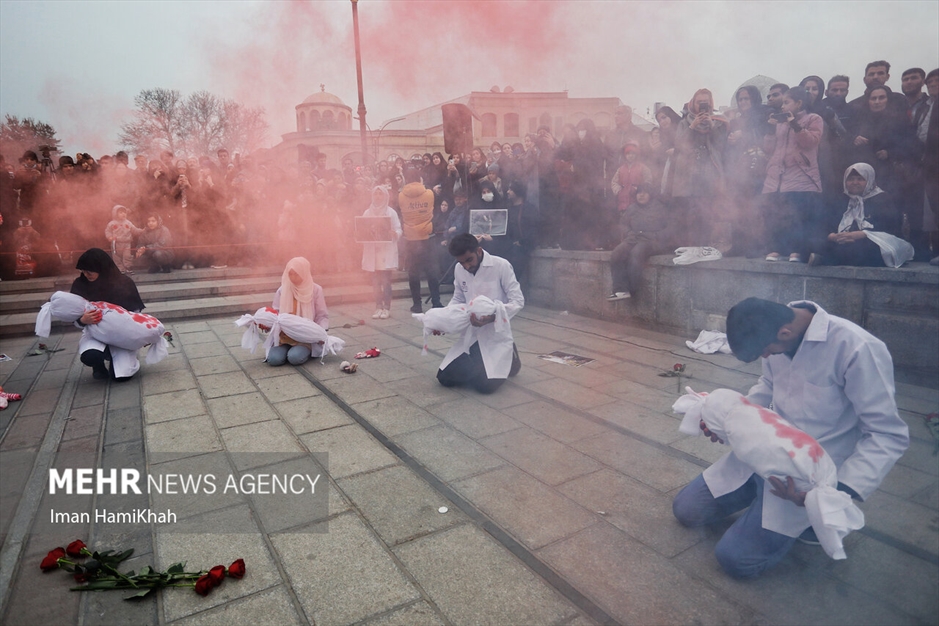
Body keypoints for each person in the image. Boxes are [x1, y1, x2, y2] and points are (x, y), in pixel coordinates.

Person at [673, 297, 909, 579]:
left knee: (734, 560)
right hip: (765, 452)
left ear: (784, 333)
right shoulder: (775, 329)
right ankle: (757, 503)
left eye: (765, 352)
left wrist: (834, 495)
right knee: (685, 510)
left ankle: (810, 520)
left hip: (807, 474)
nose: (766, 358)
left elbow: (887, 433)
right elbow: (767, 386)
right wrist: (728, 422)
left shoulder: (857, 347)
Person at [436, 233, 523, 394]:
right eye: (461, 262)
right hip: (472, 334)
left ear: (479, 250)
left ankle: (510, 355)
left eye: (469, 260)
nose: (467, 266)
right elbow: (458, 298)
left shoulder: (501, 265)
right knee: (444, 378)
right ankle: (483, 364)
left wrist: (492, 318)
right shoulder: (459, 269)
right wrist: (444, 321)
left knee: (484, 387)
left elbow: (518, 301)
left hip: (496, 333)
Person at [761, 87, 824, 263]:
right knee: (776, 214)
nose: (782, 106)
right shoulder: (780, 123)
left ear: (799, 103)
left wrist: (794, 124)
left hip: (802, 175)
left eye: (787, 102)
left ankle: (797, 250)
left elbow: (810, 142)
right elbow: (768, 149)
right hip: (777, 176)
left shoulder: (813, 118)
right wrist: (769, 129)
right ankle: (776, 248)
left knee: (798, 215)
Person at [809, 163, 908, 267]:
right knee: (812, 241)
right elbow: (827, 224)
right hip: (843, 242)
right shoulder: (841, 199)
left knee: (862, 250)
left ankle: (825, 260)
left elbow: (891, 228)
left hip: (872, 243)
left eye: (860, 179)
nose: (855, 182)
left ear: (869, 180)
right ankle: (829, 258)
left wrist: (862, 234)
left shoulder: (883, 199)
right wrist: (833, 236)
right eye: (850, 179)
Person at [70, 248, 146, 381]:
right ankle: (98, 365)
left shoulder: (124, 283)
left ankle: (117, 361)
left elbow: (135, 312)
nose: (86, 275)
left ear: (101, 268)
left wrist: (140, 333)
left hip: (122, 333)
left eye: (89, 271)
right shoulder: (80, 284)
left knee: (120, 377)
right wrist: (82, 320)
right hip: (95, 332)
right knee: (90, 355)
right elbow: (72, 314)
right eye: (83, 271)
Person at [607, 184, 677, 301]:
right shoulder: (632, 208)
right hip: (633, 238)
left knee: (636, 253)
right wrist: (629, 232)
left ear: (650, 194)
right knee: (617, 253)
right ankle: (620, 290)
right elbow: (623, 224)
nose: (641, 195)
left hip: (652, 241)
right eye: (639, 192)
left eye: (645, 192)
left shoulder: (659, 208)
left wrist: (656, 235)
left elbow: (670, 228)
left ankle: (631, 290)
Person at [267, 257, 329, 366]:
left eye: (296, 274)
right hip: (285, 336)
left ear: (304, 272)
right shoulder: (282, 290)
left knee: (294, 358)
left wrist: (321, 333)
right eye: (290, 274)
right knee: (273, 360)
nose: (293, 277)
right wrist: (266, 323)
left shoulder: (315, 290)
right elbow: (276, 314)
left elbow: (322, 315)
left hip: (305, 337)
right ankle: (287, 350)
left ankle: (302, 350)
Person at [399, 165, 442, 313]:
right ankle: (436, 302)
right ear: (419, 178)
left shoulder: (401, 195)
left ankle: (417, 304)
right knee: (432, 271)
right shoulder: (429, 193)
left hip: (411, 238)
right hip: (427, 237)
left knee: (413, 272)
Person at [360, 186, 402, 320]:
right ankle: (378, 306)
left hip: (386, 252)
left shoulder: (391, 212)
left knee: (386, 281)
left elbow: (398, 229)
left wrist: (395, 234)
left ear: (385, 196)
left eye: (380, 194)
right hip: (373, 252)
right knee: (376, 282)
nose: (378, 196)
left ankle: (387, 308)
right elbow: (363, 229)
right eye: (376, 194)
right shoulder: (367, 213)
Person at [104, 204, 143, 274]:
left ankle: (128, 267)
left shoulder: (128, 223)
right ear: (115, 214)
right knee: (116, 257)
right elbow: (107, 231)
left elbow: (134, 230)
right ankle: (120, 269)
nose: (123, 214)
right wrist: (109, 237)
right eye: (120, 212)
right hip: (116, 243)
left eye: (124, 212)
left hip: (127, 242)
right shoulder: (112, 223)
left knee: (127, 256)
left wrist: (141, 231)